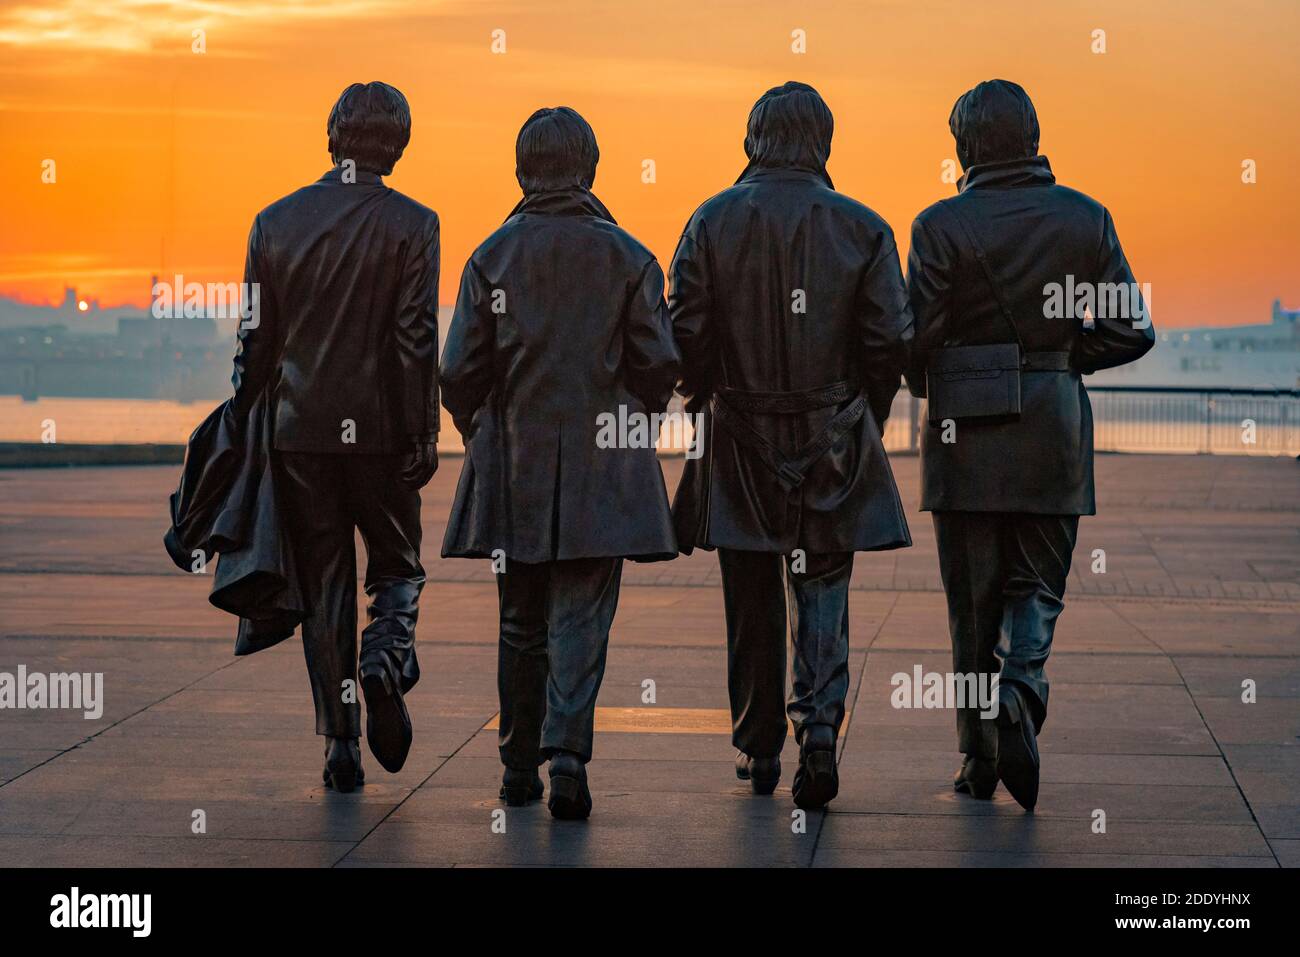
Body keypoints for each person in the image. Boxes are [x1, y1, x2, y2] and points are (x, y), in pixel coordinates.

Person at [905, 79, 1156, 810]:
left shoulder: (937, 225)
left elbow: (912, 338)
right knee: (1039, 586)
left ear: (964, 146)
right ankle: (1022, 687)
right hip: (1052, 425)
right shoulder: (1086, 217)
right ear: (1034, 136)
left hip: (963, 435)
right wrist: (1062, 358)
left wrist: (934, 375)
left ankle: (979, 758)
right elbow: (1132, 327)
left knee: (972, 607)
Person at [669, 82, 913, 809]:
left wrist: (703, 395)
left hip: (739, 438)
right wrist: (859, 414)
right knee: (824, 590)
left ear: (753, 141)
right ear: (824, 144)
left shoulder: (711, 221)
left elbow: (684, 339)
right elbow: (889, 343)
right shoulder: (864, 228)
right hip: (831, 436)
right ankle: (819, 731)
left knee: (750, 598)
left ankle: (758, 742)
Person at [440, 106, 679, 820]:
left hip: (514, 463)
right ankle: (567, 754)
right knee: (581, 615)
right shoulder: (630, 256)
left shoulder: (491, 257)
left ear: (521, 172)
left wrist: (483, 426)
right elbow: (660, 362)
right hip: (603, 469)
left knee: (520, 618)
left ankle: (518, 766)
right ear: (591, 169)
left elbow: (457, 371)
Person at [231, 81, 440, 792]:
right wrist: (423, 426)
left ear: (334, 135)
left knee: (323, 586)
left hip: (299, 433)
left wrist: (242, 415)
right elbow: (414, 337)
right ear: (398, 143)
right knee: (399, 566)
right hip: (382, 432)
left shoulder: (274, 221)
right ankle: (384, 658)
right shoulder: (415, 223)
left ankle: (341, 745)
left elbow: (256, 341)